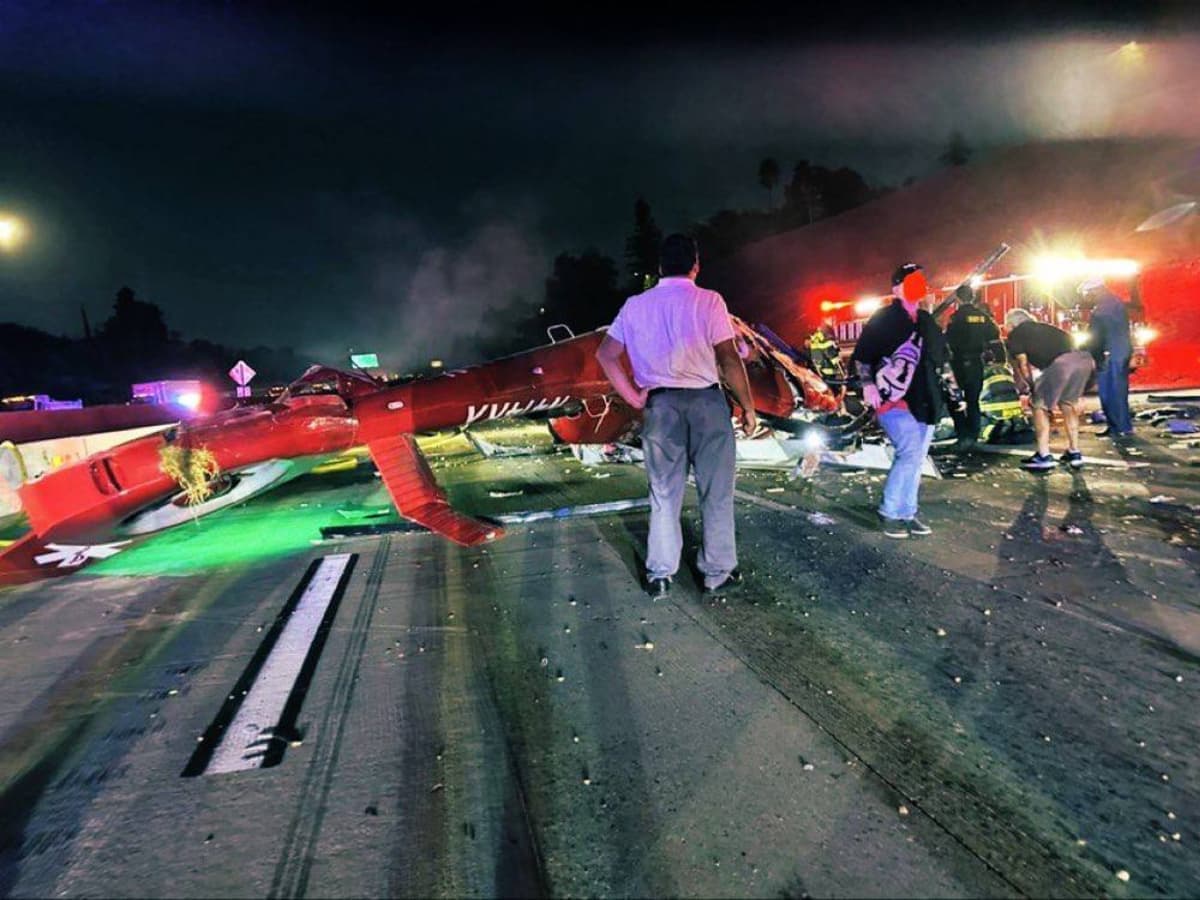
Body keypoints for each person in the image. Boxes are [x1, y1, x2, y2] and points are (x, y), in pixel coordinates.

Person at [595, 234, 756, 597]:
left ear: (659, 268)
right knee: (716, 493)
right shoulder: (709, 301)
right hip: (707, 405)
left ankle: (660, 575)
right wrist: (747, 407)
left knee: (664, 493)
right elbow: (730, 358)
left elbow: (605, 354)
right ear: (696, 265)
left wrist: (634, 397)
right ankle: (716, 573)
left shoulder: (635, 305)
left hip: (661, 407)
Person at [851, 263, 953, 539]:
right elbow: (862, 356)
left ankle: (907, 512)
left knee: (916, 458)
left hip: (927, 399)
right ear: (896, 288)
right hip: (893, 398)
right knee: (909, 451)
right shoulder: (884, 318)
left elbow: (941, 358)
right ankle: (890, 511)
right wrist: (868, 385)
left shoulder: (926, 320)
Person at [1004, 308, 1095, 470]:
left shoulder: (1017, 334)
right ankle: (1074, 452)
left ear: (1011, 324)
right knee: (1067, 404)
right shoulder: (1047, 327)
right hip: (1083, 360)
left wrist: (1031, 388)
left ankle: (1043, 455)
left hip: (1062, 364)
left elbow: (1023, 365)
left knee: (1038, 406)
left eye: (1005, 326)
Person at [945, 283, 1000, 452]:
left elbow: (950, 340)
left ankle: (963, 435)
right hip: (977, 362)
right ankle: (973, 436)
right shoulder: (983, 317)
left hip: (959, 363)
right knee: (973, 400)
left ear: (958, 299)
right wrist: (998, 360)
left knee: (954, 399)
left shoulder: (957, 317)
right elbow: (994, 339)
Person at [1081, 277, 1134, 438]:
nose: (1087, 298)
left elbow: (1096, 337)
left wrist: (1091, 354)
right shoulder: (1116, 303)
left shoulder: (1101, 310)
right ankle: (1122, 426)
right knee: (1119, 391)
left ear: (1095, 291)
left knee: (1109, 392)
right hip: (1121, 352)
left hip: (1109, 354)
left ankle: (1117, 427)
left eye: (1088, 294)